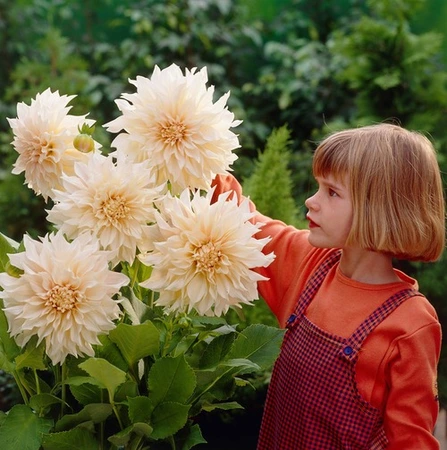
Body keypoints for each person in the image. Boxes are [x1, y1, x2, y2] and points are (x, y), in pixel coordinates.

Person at [211, 123, 445, 449]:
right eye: (318, 187)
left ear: (380, 208)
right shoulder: (309, 263)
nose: (311, 201)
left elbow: (411, 442)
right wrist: (197, 152)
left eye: (332, 192)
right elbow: (238, 218)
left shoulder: (411, 324)